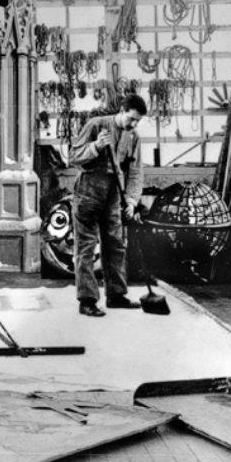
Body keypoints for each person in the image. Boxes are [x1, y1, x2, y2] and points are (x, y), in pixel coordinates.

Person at [70, 94, 147, 317]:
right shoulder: (96, 125)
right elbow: (74, 156)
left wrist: (132, 201)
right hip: (88, 190)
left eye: (137, 121)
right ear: (121, 111)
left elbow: (136, 172)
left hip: (114, 193)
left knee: (115, 243)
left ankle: (116, 295)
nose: (133, 124)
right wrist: (95, 146)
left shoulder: (134, 137)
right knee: (85, 246)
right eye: (131, 119)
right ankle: (87, 300)